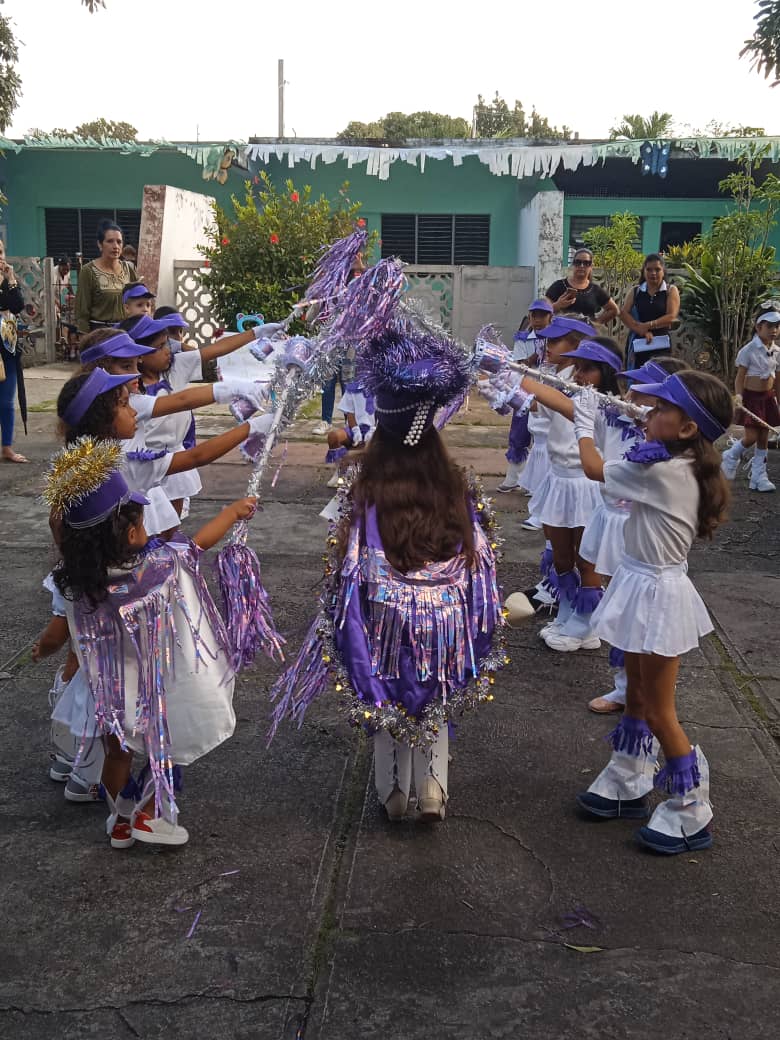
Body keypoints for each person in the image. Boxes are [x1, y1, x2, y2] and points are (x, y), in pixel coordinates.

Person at [269, 326, 504, 823]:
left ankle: (393, 791)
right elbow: (480, 560)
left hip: (384, 617)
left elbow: (340, 558)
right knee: (435, 690)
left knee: (386, 694)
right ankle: (433, 786)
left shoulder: (361, 486)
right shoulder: (458, 484)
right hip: (443, 619)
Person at [44, 436, 254, 848]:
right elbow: (197, 544)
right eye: (139, 522)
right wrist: (232, 511)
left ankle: (119, 818)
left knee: (117, 751)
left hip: (111, 689)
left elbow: (61, 628)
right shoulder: (159, 566)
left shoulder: (74, 580)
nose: (147, 527)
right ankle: (145, 812)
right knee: (167, 746)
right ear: (128, 533)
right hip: (158, 688)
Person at [573, 370, 733, 854]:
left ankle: (692, 808)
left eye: (658, 408)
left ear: (687, 429)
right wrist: (635, 421)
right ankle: (628, 776)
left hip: (658, 595)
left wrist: (584, 420)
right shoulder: (670, 460)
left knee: (662, 711)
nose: (645, 410)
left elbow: (594, 467)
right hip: (641, 584)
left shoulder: (661, 472)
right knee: (637, 693)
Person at [56, 368, 273, 537]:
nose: (133, 412)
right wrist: (253, 427)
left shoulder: (73, 460)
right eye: (124, 405)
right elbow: (196, 456)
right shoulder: (122, 464)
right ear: (100, 418)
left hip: (85, 570)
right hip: (123, 570)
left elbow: (55, 521)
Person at [518, 333, 624, 653]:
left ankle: (586, 621)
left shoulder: (608, 406)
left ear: (606, 374)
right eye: (577, 367)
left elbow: (561, 405)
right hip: (559, 480)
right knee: (560, 555)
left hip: (586, 484)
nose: (578, 375)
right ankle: (567, 610)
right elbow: (538, 402)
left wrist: (514, 374)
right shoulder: (569, 385)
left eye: (587, 369)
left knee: (586, 558)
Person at [496, 299, 553, 493]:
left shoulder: (556, 339)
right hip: (525, 389)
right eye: (534, 316)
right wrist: (532, 359)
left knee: (543, 436)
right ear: (529, 317)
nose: (537, 320)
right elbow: (517, 364)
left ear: (550, 317)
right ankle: (513, 477)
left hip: (548, 392)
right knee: (519, 432)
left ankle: (536, 482)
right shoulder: (522, 338)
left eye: (542, 316)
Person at [720, 310, 780, 493]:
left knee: (763, 438)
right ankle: (731, 455)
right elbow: (740, 378)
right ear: (758, 327)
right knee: (752, 436)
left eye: (777, 326)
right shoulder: (749, 350)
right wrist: (739, 396)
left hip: (768, 398)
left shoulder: (777, 351)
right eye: (769, 326)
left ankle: (759, 476)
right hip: (751, 399)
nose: (774, 330)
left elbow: (777, 380)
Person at [74, 219, 138, 335]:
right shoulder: (88, 271)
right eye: (110, 241)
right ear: (100, 244)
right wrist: (84, 337)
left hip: (125, 333)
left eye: (119, 242)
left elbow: (138, 300)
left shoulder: (129, 269)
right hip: (100, 335)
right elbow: (82, 311)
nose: (115, 246)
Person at [620, 254, 681, 368]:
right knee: (637, 379)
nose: (653, 273)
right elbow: (623, 313)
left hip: (661, 344)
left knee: (659, 378)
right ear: (643, 271)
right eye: (649, 269)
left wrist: (648, 325)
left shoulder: (670, 290)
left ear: (663, 271)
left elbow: (671, 317)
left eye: (657, 269)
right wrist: (641, 330)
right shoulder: (636, 291)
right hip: (638, 343)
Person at [0, 237, 28, 463]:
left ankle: (7, 447)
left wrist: (10, 278)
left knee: (7, 402)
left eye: (0, 251)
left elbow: (18, 305)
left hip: (7, 348)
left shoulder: (8, 280)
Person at [546, 248, 619, 323]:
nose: (581, 266)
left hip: (586, 333)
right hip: (562, 332)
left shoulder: (595, 290)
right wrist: (557, 305)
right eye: (578, 262)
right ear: (573, 264)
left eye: (586, 263)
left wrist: (596, 324)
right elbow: (543, 310)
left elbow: (614, 310)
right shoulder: (558, 286)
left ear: (591, 266)